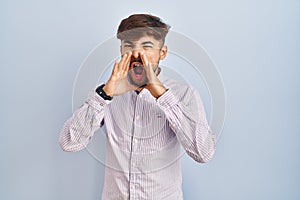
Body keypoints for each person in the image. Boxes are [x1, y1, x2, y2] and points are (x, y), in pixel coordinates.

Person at [59, 13, 216, 200]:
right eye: (129, 46)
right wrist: (104, 94)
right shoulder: (104, 95)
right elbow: (69, 142)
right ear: (121, 50)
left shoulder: (184, 94)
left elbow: (203, 153)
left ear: (162, 53)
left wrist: (161, 94)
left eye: (146, 46)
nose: (136, 54)